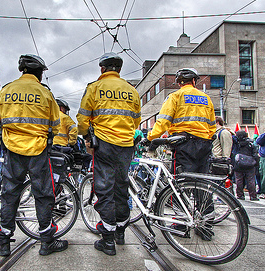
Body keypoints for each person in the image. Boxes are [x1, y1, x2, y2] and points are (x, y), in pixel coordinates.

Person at [0, 53, 66, 257]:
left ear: (22, 70)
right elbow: (55, 126)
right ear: (40, 74)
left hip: (12, 150)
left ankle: (4, 242)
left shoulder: (7, 90)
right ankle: (46, 241)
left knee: (9, 194)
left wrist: (8, 138)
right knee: (43, 194)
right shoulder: (45, 93)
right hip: (38, 150)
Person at [77, 52, 141, 256]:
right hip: (126, 144)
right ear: (119, 70)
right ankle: (121, 231)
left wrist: (87, 135)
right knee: (121, 187)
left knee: (104, 188)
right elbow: (136, 120)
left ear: (102, 69)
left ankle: (108, 239)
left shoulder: (94, 88)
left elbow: (82, 119)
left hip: (104, 144)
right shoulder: (132, 91)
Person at [147, 67, 216, 240]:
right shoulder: (206, 98)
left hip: (184, 144)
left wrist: (151, 137)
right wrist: (205, 137)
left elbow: (163, 120)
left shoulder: (175, 96)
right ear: (194, 81)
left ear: (179, 83)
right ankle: (206, 226)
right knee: (203, 183)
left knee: (181, 185)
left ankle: (181, 223)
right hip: (204, 143)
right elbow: (213, 124)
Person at [234, 130, 259, 200]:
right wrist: (255, 162)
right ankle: (253, 196)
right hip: (250, 164)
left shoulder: (236, 143)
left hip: (238, 163)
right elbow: (255, 154)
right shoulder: (251, 143)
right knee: (251, 180)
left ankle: (240, 195)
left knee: (239, 180)